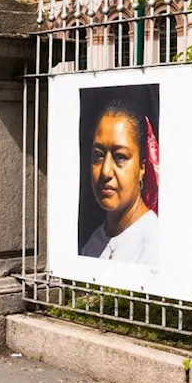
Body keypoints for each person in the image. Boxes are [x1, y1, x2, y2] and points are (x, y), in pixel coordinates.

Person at [79, 97, 160, 265]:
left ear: (142, 167)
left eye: (120, 157)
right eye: (99, 155)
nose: (105, 171)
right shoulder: (95, 241)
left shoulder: (155, 244)